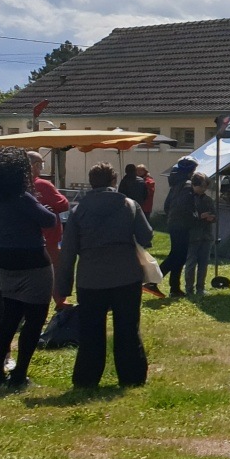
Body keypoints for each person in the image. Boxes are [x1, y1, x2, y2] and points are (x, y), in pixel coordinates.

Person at [57, 163, 153, 388]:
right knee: (128, 329)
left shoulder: (78, 210)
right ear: (113, 181)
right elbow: (146, 236)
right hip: (126, 275)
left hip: (90, 279)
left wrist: (63, 288)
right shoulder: (129, 205)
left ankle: (86, 379)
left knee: (91, 332)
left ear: (91, 183)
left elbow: (68, 250)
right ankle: (132, 377)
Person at [0, 147, 57, 389]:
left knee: (9, 316)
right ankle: (19, 374)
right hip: (32, 256)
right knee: (34, 318)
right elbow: (49, 220)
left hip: (4, 255)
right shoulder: (22, 197)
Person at [158, 164, 197, 296]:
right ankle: (153, 280)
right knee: (177, 255)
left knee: (178, 256)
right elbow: (186, 206)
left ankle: (175, 288)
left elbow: (167, 205)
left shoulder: (175, 185)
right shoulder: (187, 186)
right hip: (182, 224)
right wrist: (194, 216)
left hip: (173, 223)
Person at [27, 151, 70, 266]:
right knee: (53, 273)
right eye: (41, 165)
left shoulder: (18, 185)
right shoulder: (42, 184)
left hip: (27, 238)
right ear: (35, 165)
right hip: (48, 237)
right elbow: (63, 204)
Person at [183, 175, 218, 297]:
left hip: (206, 235)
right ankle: (189, 289)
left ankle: (200, 287)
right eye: (201, 186)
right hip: (193, 235)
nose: (204, 189)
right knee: (191, 262)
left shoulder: (208, 200)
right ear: (195, 185)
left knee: (203, 263)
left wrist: (212, 217)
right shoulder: (189, 199)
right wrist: (199, 217)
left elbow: (215, 214)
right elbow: (186, 217)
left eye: (206, 186)